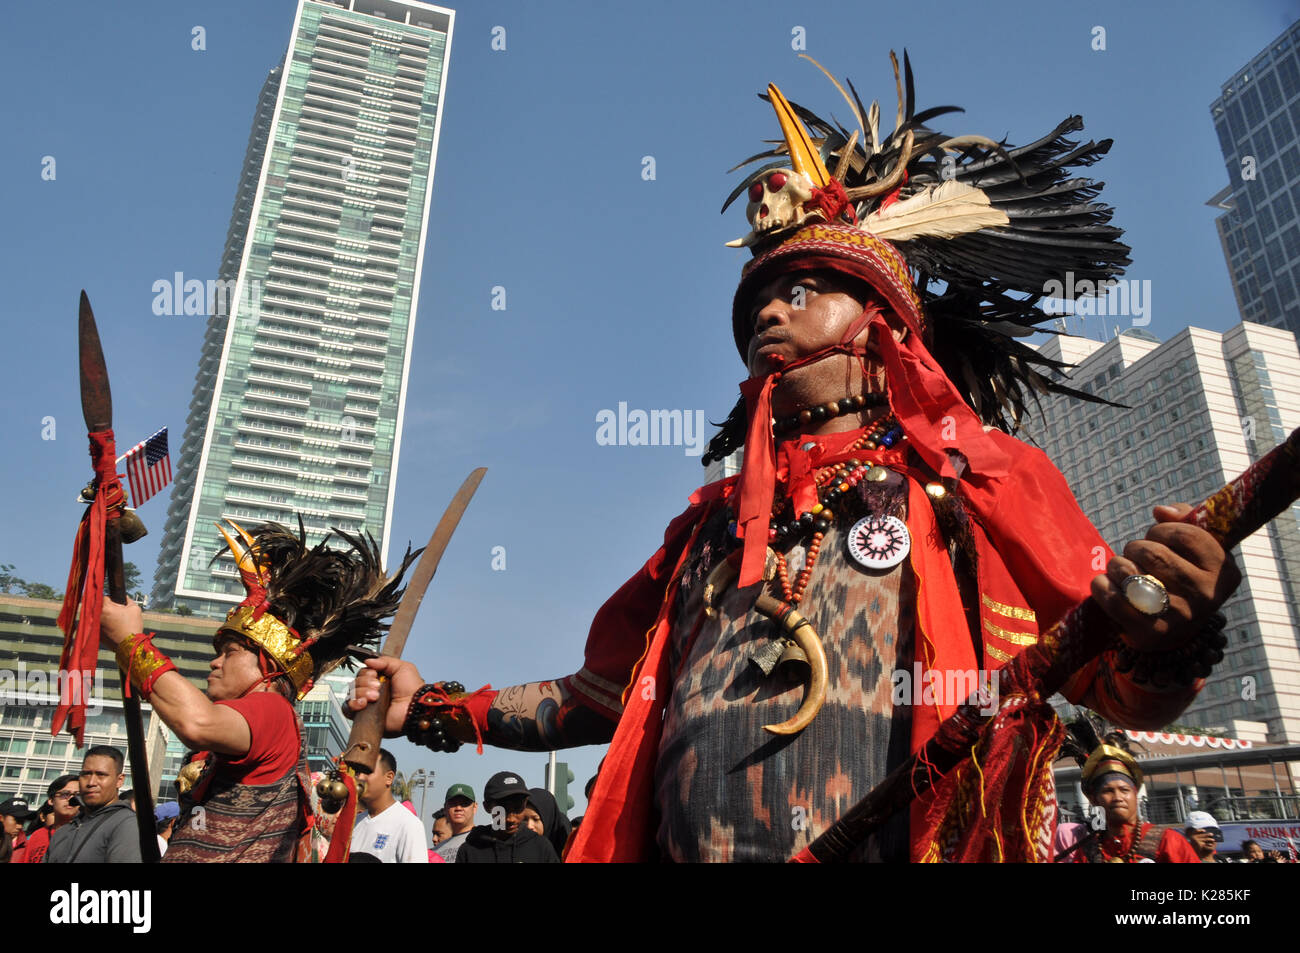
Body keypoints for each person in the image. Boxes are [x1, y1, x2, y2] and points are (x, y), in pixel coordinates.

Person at [350, 60, 1240, 862]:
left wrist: (1173, 633)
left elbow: (1112, 682)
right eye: (756, 308)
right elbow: (597, 697)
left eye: (801, 291)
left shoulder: (975, 485)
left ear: (882, 325)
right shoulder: (707, 532)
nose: (769, 317)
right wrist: (430, 709)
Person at [98, 520, 418, 862]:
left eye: (230, 652)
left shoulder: (272, 708)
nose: (215, 663)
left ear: (268, 665)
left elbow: (197, 723)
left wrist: (131, 643)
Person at [1071, 740, 1200, 863]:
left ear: (1135, 794)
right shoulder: (1088, 850)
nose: (1117, 797)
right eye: (1108, 791)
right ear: (1095, 800)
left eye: (1124, 790)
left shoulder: (1168, 840)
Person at [44, 746, 141, 863]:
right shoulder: (64, 830)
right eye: (86, 774)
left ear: (119, 780)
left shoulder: (127, 824)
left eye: (101, 775)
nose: (91, 783)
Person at [454, 772, 558, 863]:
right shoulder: (469, 850)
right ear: (487, 807)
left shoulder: (541, 847)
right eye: (502, 810)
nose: (511, 819)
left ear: (525, 804)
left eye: (517, 808)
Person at [349, 748, 428, 863]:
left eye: (367, 771)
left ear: (389, 778)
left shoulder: (409, 824)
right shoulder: (354, 822)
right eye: (358, 772)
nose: (360, 778)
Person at [19, 775, 79, 864]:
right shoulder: (37, 835)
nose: (71, 799)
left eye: (78, 795)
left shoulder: (90, 834)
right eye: (65, 794)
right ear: (51, 800)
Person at [434, 783, 477, 862]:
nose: (458, 808)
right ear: (445, 808)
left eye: (464, 804)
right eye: (453, 803)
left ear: (474, 807)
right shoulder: (435, 851)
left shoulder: (484, 842)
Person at [527, 787, 572, 858]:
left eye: (535, 819)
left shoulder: (569, 855)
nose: (529, 826)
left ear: (548, 819)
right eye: (524, 820)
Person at [0, 796, 32, 863]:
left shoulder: (29, 847)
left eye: (23, 821)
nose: (20, 826)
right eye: (17, 820)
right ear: (1, 818)